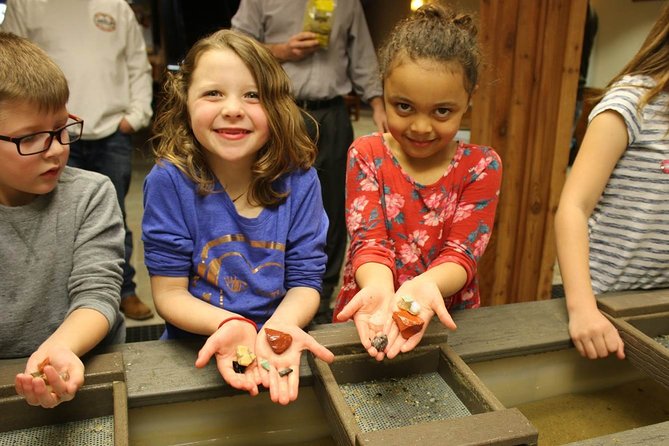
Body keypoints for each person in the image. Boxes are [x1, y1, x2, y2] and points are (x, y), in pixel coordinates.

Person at [142, 29, 335, 405]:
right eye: (213, 93)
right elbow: (168, 293)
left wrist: (281, 327)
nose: (233, 108)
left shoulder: (301, 180)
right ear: (185, 104)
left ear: (277, 107)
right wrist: (229, 324)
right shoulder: (168, 181)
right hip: (193, 350)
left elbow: (306, 282)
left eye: (252, 95)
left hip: (284, 345)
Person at [333, 4, 502, 361]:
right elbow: (369, 241)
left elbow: (463, 252)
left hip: (444, 310)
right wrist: (381, 289)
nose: (421, 127)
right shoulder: (366, 154)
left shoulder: (481, 165)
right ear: (384, 92)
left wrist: (423, 287)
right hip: (370, 308)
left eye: (442, 111)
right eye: (404, 107)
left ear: (467, 102)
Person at [232, 0, 388, 323]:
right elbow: (234, 48)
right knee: (274, 202)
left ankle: (319, 296)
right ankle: (271, 292)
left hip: (332, 113)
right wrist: (281, 50)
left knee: (332, 207)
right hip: (278, 110)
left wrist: (377, 103)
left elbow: (362, 57)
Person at [2, 0, 155, 320]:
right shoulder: (26, 5)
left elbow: (137, 64)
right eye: (27, 137)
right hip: (61, 129)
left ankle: (124, 290)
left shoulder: (116, 7)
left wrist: (135, 116)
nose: (55, 152)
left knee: (107, 212)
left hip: (106, 130)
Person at [0, 32, 125, 408]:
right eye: (32, 137)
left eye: (61, 129)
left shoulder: (90, 194)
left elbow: (98, 290)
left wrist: (58, 349)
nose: (56, 150)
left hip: (87, 366)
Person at [555, 4, 669, 361]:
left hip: (657, 304)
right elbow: (573, 207)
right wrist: (583, 308)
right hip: (599, 301)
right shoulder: (633, 100)